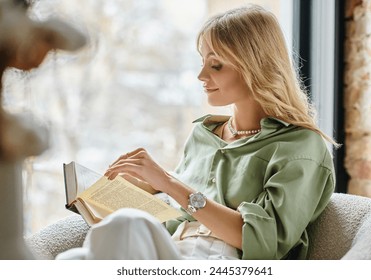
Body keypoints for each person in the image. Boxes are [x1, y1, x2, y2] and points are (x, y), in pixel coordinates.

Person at [56, 4, 337, 260]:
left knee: (126, 225)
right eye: (202, 61)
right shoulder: (204, 135)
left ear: (256, 66)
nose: (201, 76)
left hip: (221, 260)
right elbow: (178, 212)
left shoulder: (301, 147)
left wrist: (166, 181)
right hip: (176, 247)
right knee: (70, 261)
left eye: (215, 64)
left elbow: (262, 240)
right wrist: (141, 187)